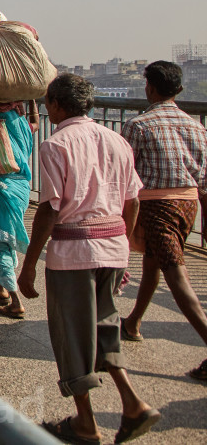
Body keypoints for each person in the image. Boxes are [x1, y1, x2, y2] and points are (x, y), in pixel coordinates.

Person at [18, 75, 159, 445]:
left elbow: (49, 212)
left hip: (73, 254)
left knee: (71, 337)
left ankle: (85, 422)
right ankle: (132, 403)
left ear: (57, 106)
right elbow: (133, 202)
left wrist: (29, 264)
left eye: (48, 102)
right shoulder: (117, 141)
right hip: (113, 247)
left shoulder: (54, 144)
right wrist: (123, 246)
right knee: (105, 327)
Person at [118, 61, 207, 382]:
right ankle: (133, 323)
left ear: (150, 89)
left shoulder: (138, 125)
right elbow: (204, 182)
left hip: (157, 206)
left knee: (175, 275)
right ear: (179, 90)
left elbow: (124, 175)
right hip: (188, 206)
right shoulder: (197, 127)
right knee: (154, 263)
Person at [0, 101, 35, 319]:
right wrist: (30, 102)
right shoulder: (26, 128)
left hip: (0, 189)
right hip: (21, 190)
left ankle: (15, 300)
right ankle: (1, 288)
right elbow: (36, 122)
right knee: (8, 236)